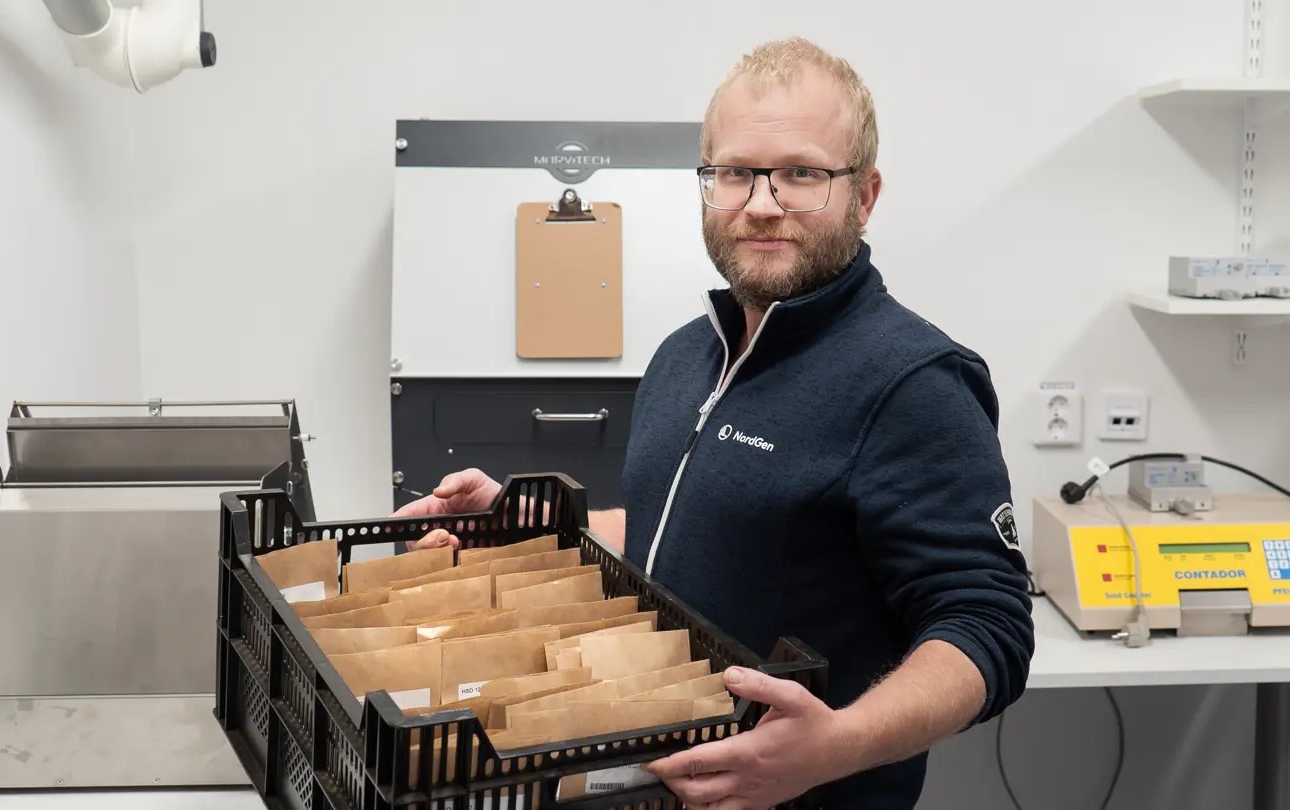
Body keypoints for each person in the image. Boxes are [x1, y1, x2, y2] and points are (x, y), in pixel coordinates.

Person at [393, 36, 1034, 810]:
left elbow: (986, 624)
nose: (761, 203)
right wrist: (525, 524)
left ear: (864, 196)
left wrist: (833, 745)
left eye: (801, 173)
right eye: (736, 172)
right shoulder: (684, 357)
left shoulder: (913, 382)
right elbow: (678, 530)